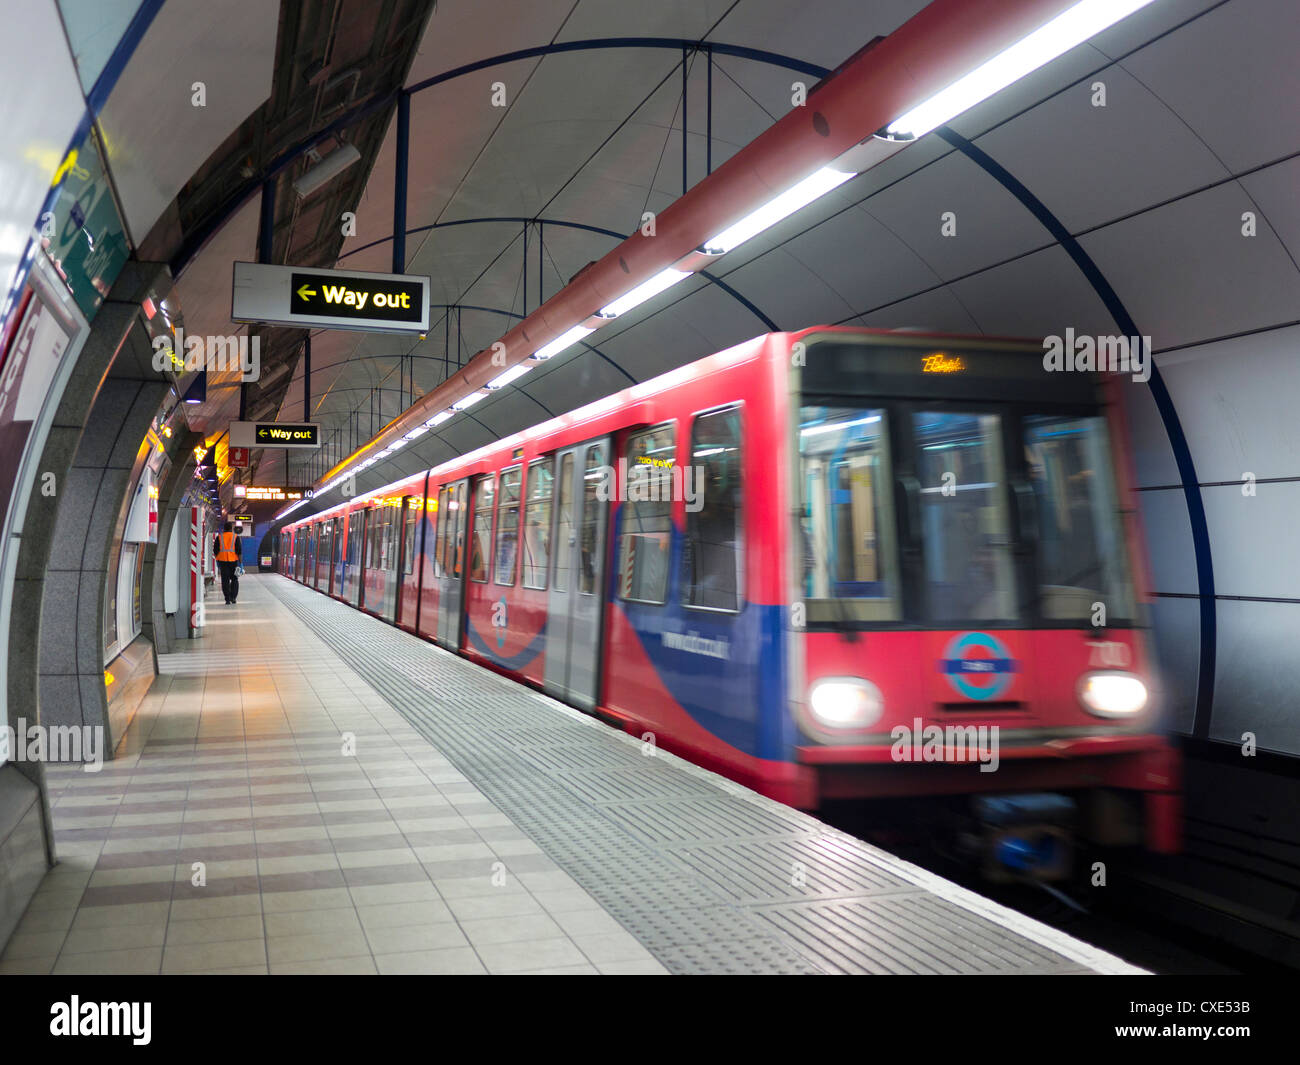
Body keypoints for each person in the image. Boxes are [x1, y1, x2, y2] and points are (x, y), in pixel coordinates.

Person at [214, 521, 242, 605]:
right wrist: (241, 563)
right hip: (234, 561)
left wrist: (218, 558)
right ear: (231, 528)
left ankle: (227, 599)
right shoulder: (235, 537)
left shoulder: (219, 537)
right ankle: (233, 597)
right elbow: (239, 551)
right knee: (234, 579)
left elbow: (215, 550)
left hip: (223, 562)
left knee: (225, 580)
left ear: (224, 529)